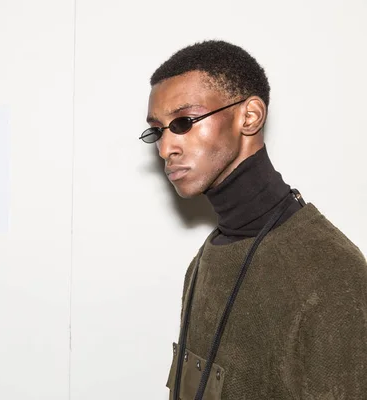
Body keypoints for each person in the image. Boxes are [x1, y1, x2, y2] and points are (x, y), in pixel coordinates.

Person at [140, 40, 367, 399]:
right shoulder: (207, 259)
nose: (166, 148)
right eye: (158, 130)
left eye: (184, 122)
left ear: (249, 116)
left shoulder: (331, 272)